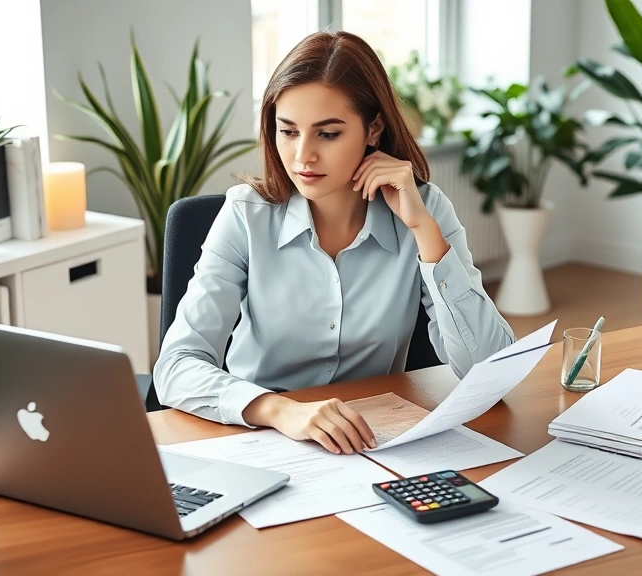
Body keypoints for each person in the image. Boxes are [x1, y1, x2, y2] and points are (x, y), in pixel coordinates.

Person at [153, 31, 514, 456]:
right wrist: (278, 409)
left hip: (370, 443)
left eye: (327, 134)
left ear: (373, 128)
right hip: (260, 439)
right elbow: (176, 367)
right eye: (288, 132)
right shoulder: (245, 215)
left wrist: (426, 234)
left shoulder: (427, 209)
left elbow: (492, 373)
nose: (303, 156)